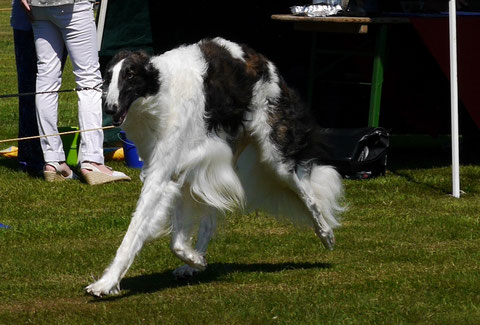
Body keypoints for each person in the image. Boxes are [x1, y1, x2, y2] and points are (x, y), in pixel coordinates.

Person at [20, 0, 130, 185]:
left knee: (46, 78)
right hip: (72, 5)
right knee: (88, 79)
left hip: (39, 6)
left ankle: (53, 161)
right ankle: (92, 160)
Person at [10, 0, 44, 175]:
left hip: (67, 17)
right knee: (30, 90)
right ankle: (30, 158)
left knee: (49, 89)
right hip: (27, 22)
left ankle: (49, 155)